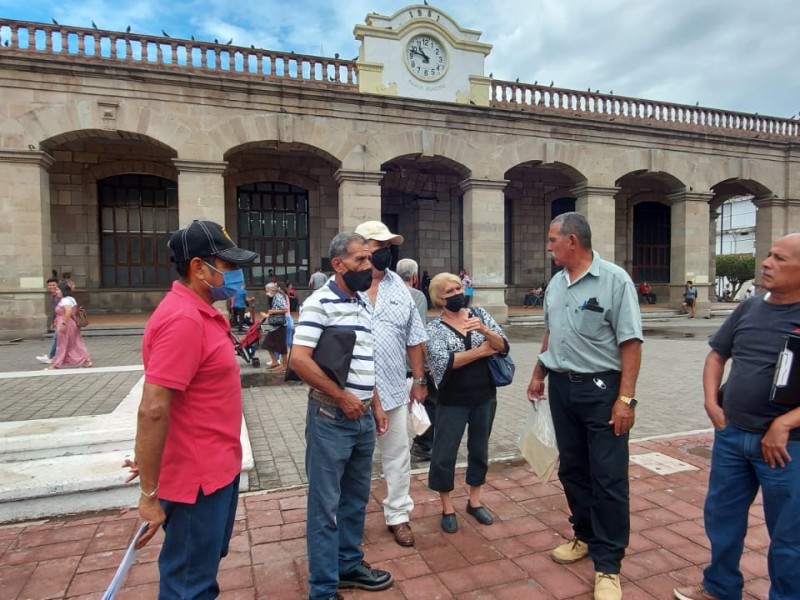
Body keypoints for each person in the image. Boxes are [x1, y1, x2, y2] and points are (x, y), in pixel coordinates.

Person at [124, 219, 258, 598]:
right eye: (228, 266)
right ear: (199, 268)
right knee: (189, 585)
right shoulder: (183, 320)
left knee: (201, 571)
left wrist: (149, 460)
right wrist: (149, 494)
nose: (236, 274)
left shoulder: (203, 313)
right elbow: (153, 408)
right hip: (195, 479)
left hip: (215, 470)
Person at [673, 233, 800, 600]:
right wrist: (711, 401)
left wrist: (785, 422)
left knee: (789, 538)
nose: (767, 262)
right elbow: (717, 355)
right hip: (732, 437)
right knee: (722, 520)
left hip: (785, 448)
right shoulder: (750, 308)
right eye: (769, 254)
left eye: (780, 258)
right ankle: (720, 587)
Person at [526, 212, 642, 600]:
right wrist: (539, 372)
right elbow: (551, 331)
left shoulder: (614, 280)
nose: (548, 246)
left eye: (552, 239)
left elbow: (631, 343)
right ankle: (584, 536)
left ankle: (608, 565)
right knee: (573, 470)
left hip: (602, 390)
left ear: (573, 241)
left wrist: (625, 399)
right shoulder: (557, 284)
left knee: (608, 477)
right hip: (562, 388)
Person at [290, 232, 393, 600]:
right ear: (338, 264)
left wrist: (375, 404)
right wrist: (343, 397)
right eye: (360, 260)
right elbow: (298, 360)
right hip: (331, 417)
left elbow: (366, 359)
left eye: (370, 259)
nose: (369, 267)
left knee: (354, 499)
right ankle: (323, 589)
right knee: (325, 507)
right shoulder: (320, 303)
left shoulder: (363, 302)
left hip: (362, 418)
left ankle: (348, 565)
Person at [354, 221, 428, 548]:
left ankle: (398, 515)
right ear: (360, 248)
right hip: (350, 395)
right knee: (350, 459)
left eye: (387, 246)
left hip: (395, 389)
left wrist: (418, 379)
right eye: (377, 245)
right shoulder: (341, 285)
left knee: (397, 455)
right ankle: (348, 520)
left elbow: (414, 337)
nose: (384, 252)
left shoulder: (399, 285)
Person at [426, 272, 509, 534]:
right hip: (452, 400)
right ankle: (447, 506)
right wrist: (482, 351)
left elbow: (503, 345)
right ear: (440, 298)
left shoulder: (481, 315)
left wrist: (484, 332)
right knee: (444, 454)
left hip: (484, 396)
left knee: (479, 449)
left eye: (458, 288)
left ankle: (474, 501)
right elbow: (445, 363)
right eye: (449, 292)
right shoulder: (433, 328)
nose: (456, 294)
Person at [397, 258, 437, 463]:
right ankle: (422, 445)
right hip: (411, 365)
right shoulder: (417, 295)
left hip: (393, 363)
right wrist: (426, 365)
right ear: (414, 277)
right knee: (427, 403)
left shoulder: (389, 294)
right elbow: (418, 334)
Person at [45, 282, 93, 370]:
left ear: (63, 291)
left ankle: (56, 364)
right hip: (72, 324)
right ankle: (86, 360)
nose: (56, 292)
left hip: (66, 324)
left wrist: (63, 324)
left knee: (62, 344)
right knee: (77, 343)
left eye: (58, 290)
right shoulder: (71, 299)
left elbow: (68, 311)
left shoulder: (65, 300)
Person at [260, 282, 289, 371]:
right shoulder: (275, 297)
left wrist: (272, 312)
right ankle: (275, 361)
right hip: (274, 326)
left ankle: (285, 365)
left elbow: (285, 309)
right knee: (267, 344)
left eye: (267, 291)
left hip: (279, 325)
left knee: (281, 345)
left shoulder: (279, 297)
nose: (267, 293)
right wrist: (268, 314)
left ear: (272, 290)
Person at [36, 277, 61, 364]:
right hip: (59, 320)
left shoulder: (59, 295)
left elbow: (61, 309)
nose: (51, 287)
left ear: (58, 285)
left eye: (53, 285)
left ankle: (51, 356)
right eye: (50, 285)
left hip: (62, 320)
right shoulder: (55, 295)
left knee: (57, 338)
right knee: (60, 338)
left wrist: (57, 320)